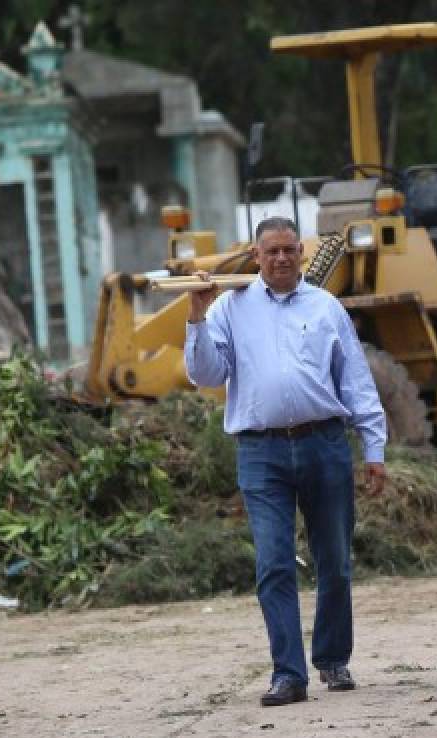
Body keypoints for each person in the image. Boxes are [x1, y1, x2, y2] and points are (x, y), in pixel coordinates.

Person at [184, 216, 387, 707]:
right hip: (261, 451)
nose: (280, 258)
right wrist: (196, 317)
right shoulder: (230, 307)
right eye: (270, 251)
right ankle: (288, 674)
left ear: (301, 252)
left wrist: (374, 448)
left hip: (324, 445)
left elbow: (355, 379)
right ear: (256, 256)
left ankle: (333, 659)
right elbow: (206, 373)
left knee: (334, 560)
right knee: (274, 562)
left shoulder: (326, 308)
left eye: (289, 250)